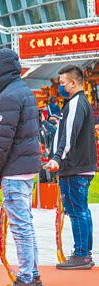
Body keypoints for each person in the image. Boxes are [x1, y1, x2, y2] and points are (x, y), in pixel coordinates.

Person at [0, 48, 45, 286]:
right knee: (26, 224)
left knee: (20, 225)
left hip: (14, 169)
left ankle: (25, 279)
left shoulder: (9, 96)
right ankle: (33, 274)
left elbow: (1, 142)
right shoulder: (23, 91)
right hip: (26, 167)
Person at [46, 65, 97, 269]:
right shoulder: (78, 103)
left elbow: (69, 136)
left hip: (74, 166)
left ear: (73, 83)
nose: (60, 87)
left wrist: (58, 158)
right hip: (80, 166)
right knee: (82, 210)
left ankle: (81, 254)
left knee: (76, 210)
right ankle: (85, 252)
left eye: (62, 83)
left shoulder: (76, 103)